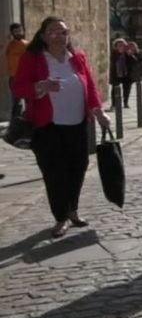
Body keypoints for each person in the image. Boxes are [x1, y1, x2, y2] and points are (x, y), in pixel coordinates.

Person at [12, 16, 110, 238]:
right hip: (47, 126)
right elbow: (19, 88)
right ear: (44, 36)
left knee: (78, 167)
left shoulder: (77, 58)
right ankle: (61, 218)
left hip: (77, 124)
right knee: (55, 173)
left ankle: (73, 210)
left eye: (64, 32)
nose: (59, 36)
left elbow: (91, 87)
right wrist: (41, 86)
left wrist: (99, 111)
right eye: (54, 32)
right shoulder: (33, 58)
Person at [6, 22, 26, 118]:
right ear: (12, 33)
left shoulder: (27, 45)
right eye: (15, 31)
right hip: (13, 77)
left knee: (28, 101)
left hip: (25, 76)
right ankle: (15, 126)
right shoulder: (10, 45)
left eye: (20, 30)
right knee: (16, 102)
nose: (18, 33)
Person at [108, 38, 131, 109]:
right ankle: (114, 104)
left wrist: (129, 54)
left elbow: (134, 61)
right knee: (115, 89)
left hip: (126, 74)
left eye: (122, 45)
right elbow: (112, 60)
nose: (121, 46)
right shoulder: (114, 53)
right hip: (116, 74)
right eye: (119, 45)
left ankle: (126, 103)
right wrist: (119, 53)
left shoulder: (127, 52)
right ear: (116, 46)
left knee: (126, 89)